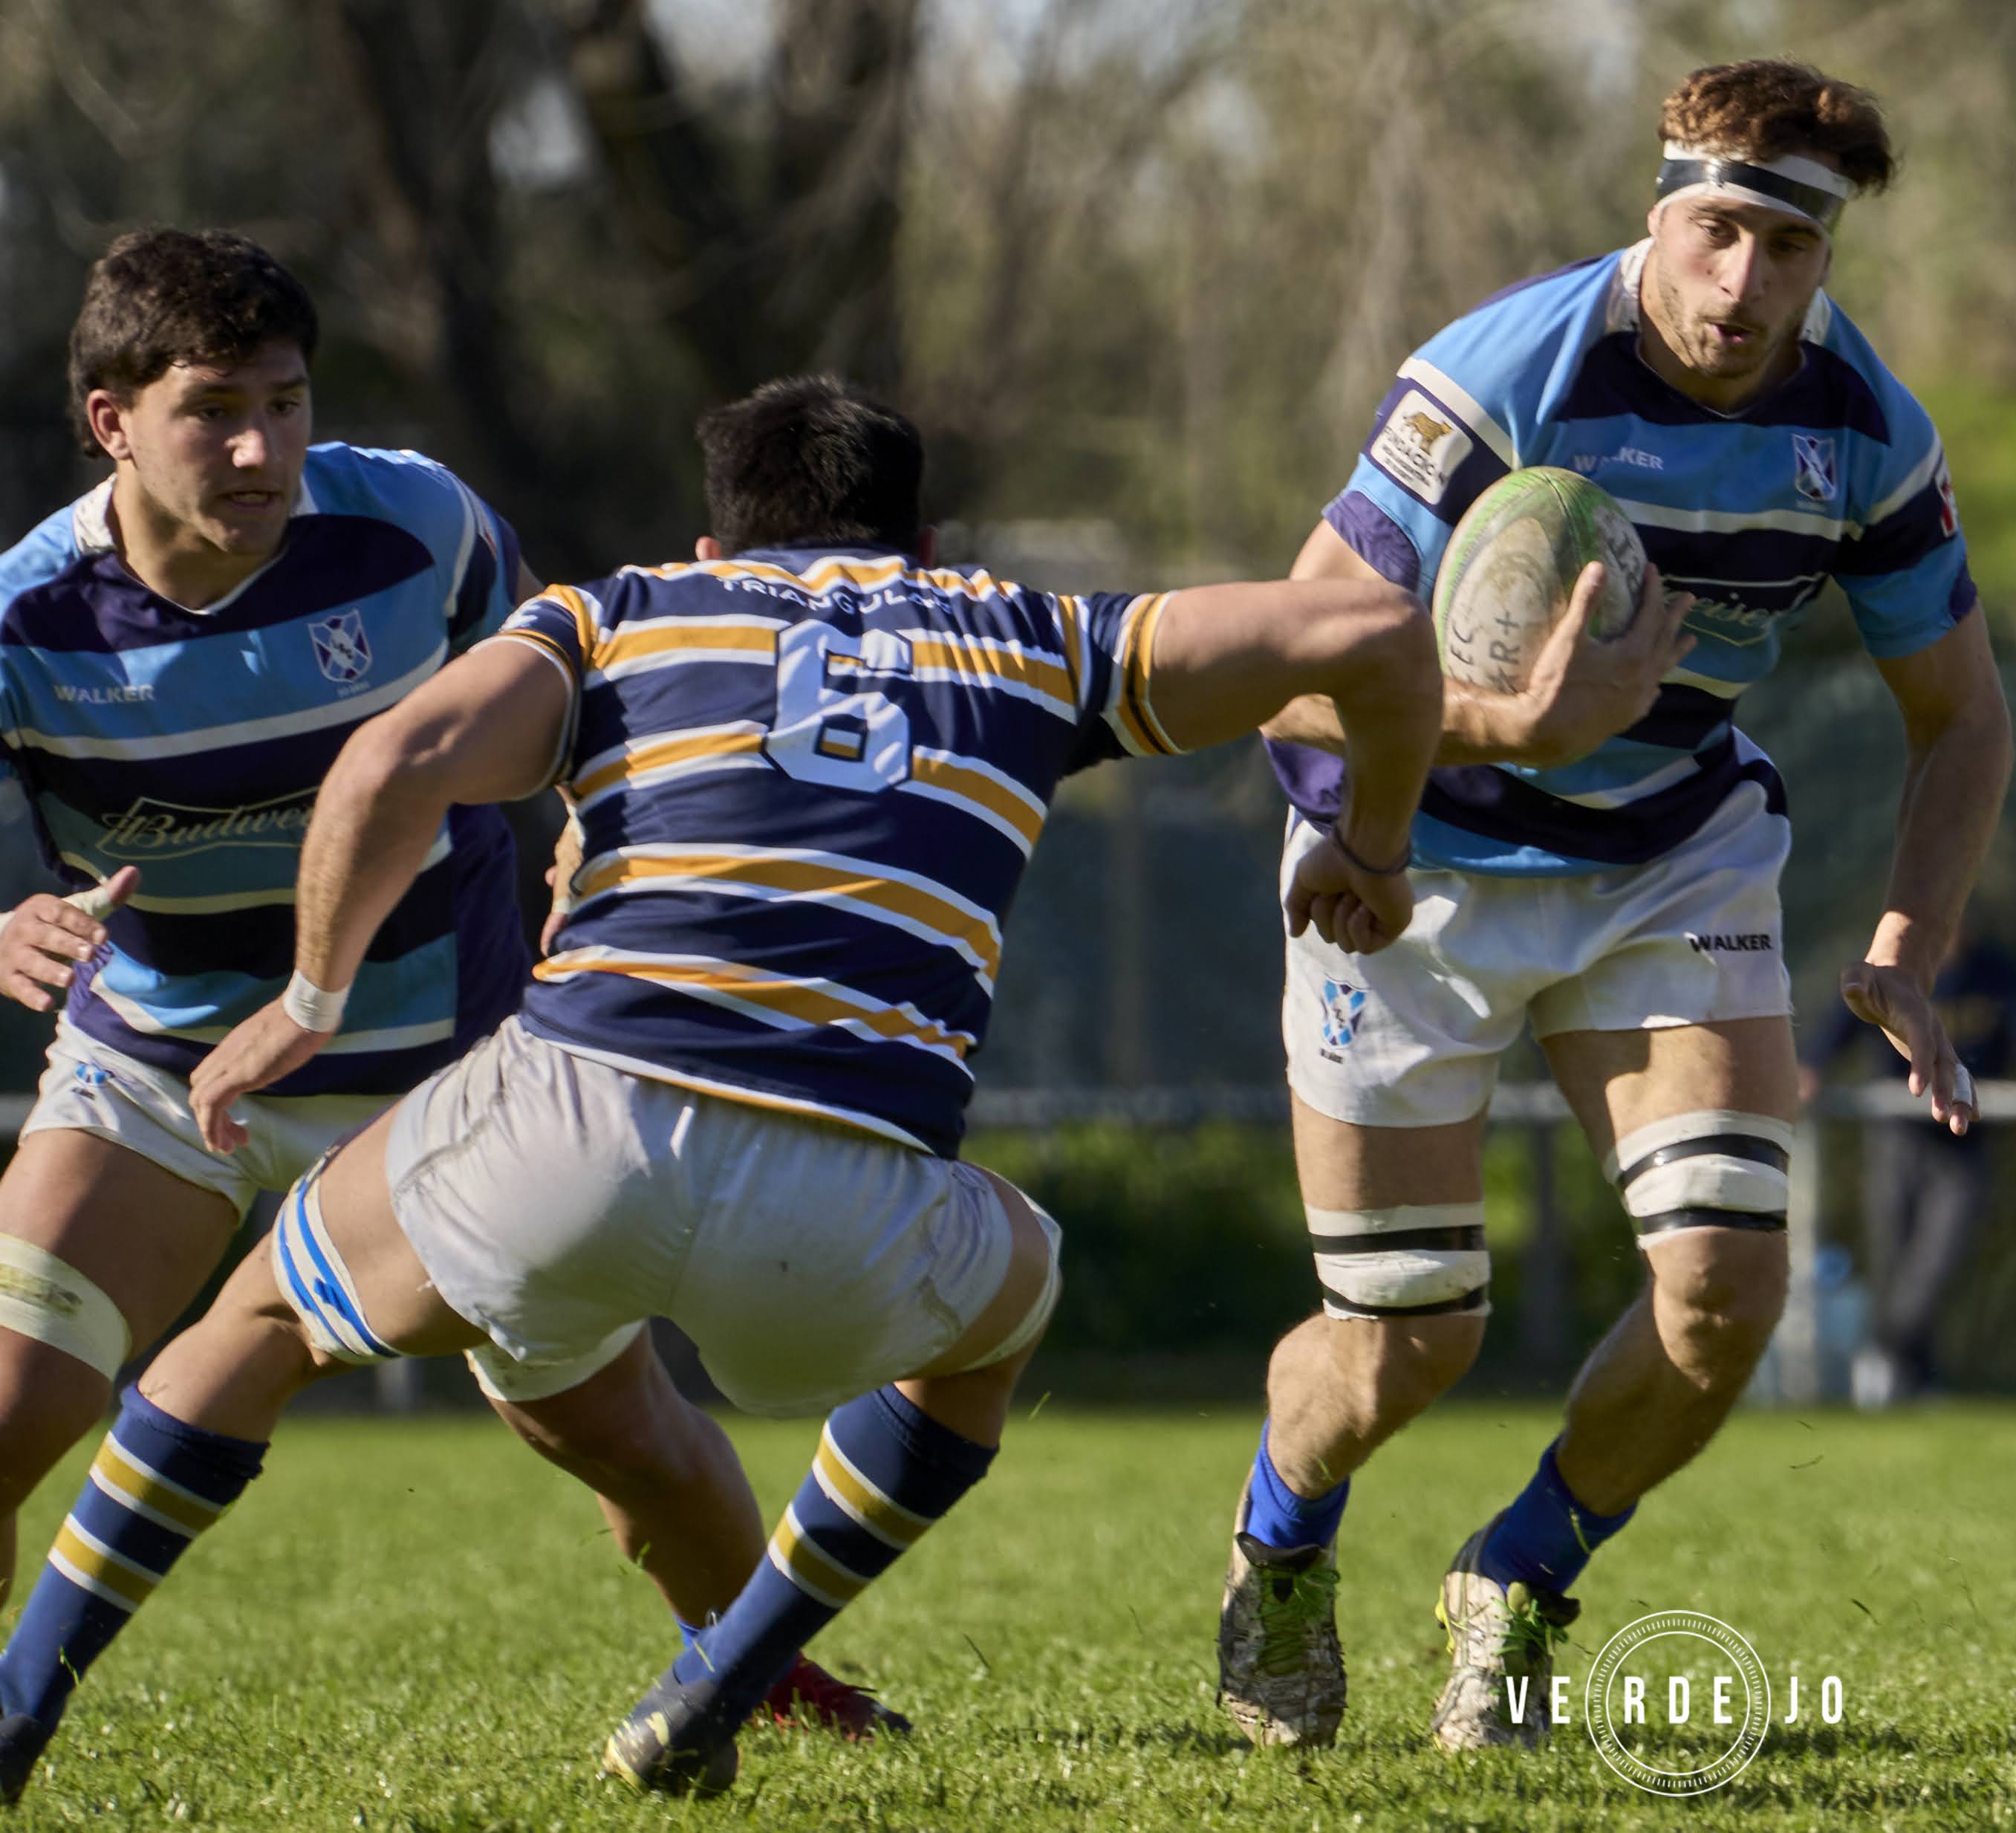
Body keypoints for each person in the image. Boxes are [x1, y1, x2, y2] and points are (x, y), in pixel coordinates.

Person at [0, 374, 1443, 1800]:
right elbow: (1372, 630)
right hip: (846, 1205)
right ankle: (723, 1674)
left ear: (716, 549)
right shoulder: (1040, 635)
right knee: (1012, 1293)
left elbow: (402, 753)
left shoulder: (619, 609)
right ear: (925, 552)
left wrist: (308, 998)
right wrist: (1370, 848)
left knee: (245, 1332)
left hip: (570, 1128)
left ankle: (15, 1711)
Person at [1220, 59, 2012, 1752]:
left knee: (1726, 1289)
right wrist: (1502, 724)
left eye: (1782, 251)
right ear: (1655, 210)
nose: (1741, 283)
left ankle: (1519, 1567)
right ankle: (1280, 1542)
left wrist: (1906, 949)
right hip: (1400, 866)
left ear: (1825, 260)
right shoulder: (1497, 377)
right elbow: (1285, 669)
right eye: (1714, 230)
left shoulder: (1863, 432)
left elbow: (1961, 714)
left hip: (1667, 852)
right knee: (1403, 1339)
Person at [0, 233, 876, 1732]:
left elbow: (595, 702)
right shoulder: (27, 620)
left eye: (285, 398)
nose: (263, 443)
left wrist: (596, 842)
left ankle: (767, 1684)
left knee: (616, 1432)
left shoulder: (415, 522)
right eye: (214, 407)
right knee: (9, 1406)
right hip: (161, 1067)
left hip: (448, 1080)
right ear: (113, 421)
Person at [1807, 923, 2016, 1407]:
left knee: (1933, 1265)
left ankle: (1888, 1359)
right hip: (1897, 1137)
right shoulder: (1889, 971)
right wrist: (1809, 1067)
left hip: (1962, 1143)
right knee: (1895, 1262)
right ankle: (1907, 1378)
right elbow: (1837, 1029)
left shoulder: (2001, 976)